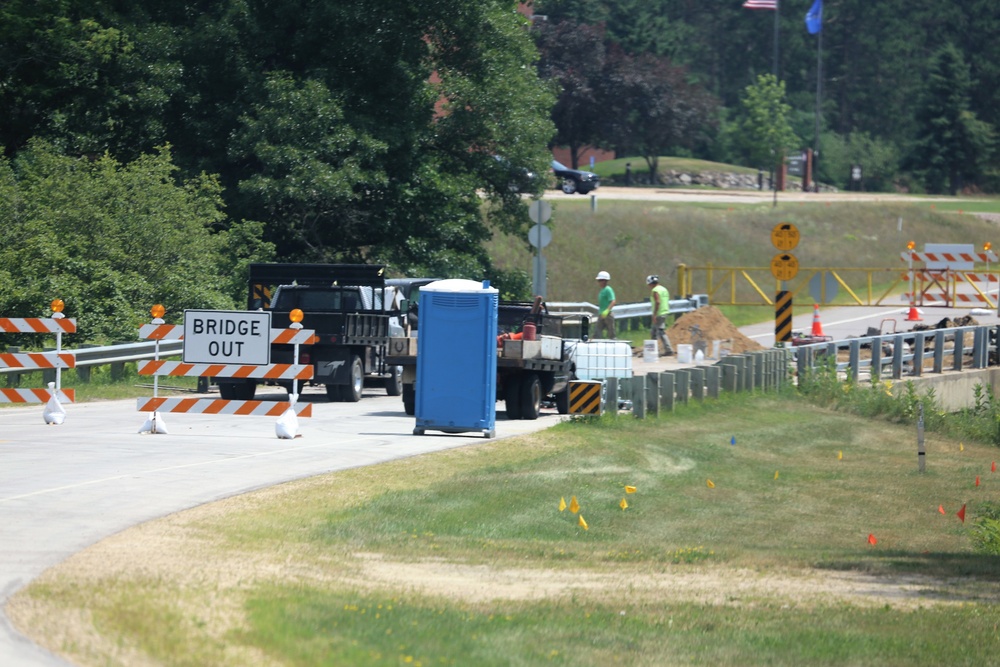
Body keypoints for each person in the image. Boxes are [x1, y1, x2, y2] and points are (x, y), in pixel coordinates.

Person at [647, 275, 675, 356]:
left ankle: (664, 350)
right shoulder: (664, 289)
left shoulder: (655, 290)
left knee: (658, 332)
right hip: (665, 312)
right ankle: (655, 349)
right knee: (655, 331)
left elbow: (658, 302)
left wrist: (654, 314)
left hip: (659, 313)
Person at [594, 270, 616, 339]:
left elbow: (613, 301)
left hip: (608, 314)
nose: (599, 282)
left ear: (605, 281)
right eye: (599, 280)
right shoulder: (602, 290)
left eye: (600, 280)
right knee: (597, 331)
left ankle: (614, 345)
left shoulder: (608, 290)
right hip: (601, 314)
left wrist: (607, 311)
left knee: (611, 332)